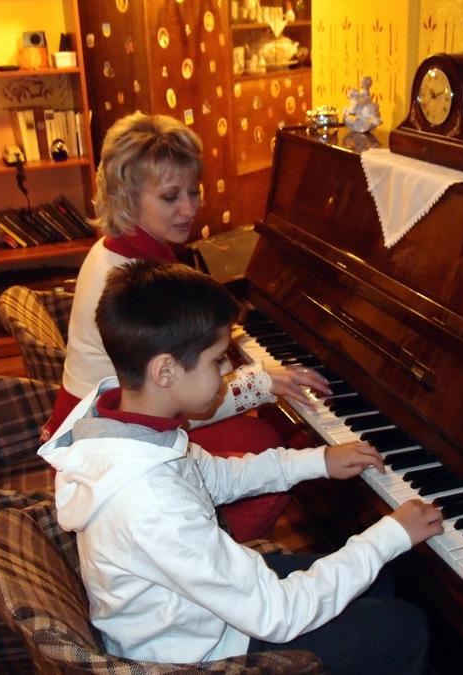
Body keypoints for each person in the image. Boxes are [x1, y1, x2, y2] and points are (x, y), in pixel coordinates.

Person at [38, 260, 445, 673]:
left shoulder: (131, 430)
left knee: (380, 579)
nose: (230, 370)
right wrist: (389, 535)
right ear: (165, 371)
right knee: (406, 627)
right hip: (195, 655)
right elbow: (279, 614)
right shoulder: (151, 502)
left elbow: (217, 477)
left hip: (189, 610)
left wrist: (317, 461)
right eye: (217, 360)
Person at [44, 112, 329, 541]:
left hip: (113, 416)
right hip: (108, 446)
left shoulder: (125, 249)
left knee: (271, 429)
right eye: (170, 197)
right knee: (264, 441)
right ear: (127, 197)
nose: (190, 208)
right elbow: (177, 400)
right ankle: (212, 551)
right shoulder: (128, 280)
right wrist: (261, 382)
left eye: (193, 191)